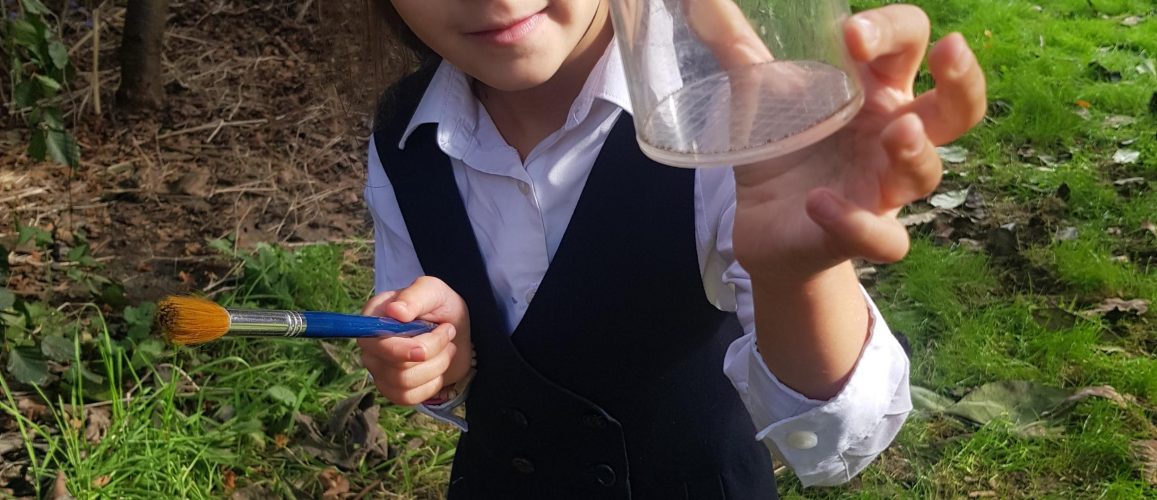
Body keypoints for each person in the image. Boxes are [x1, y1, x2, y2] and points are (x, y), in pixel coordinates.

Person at [357, 0, 986, 497]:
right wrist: (439, 363)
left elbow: (830, 443)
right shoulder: (402, 139)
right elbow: (445, 363)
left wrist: (798, 276)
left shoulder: (727, 116)